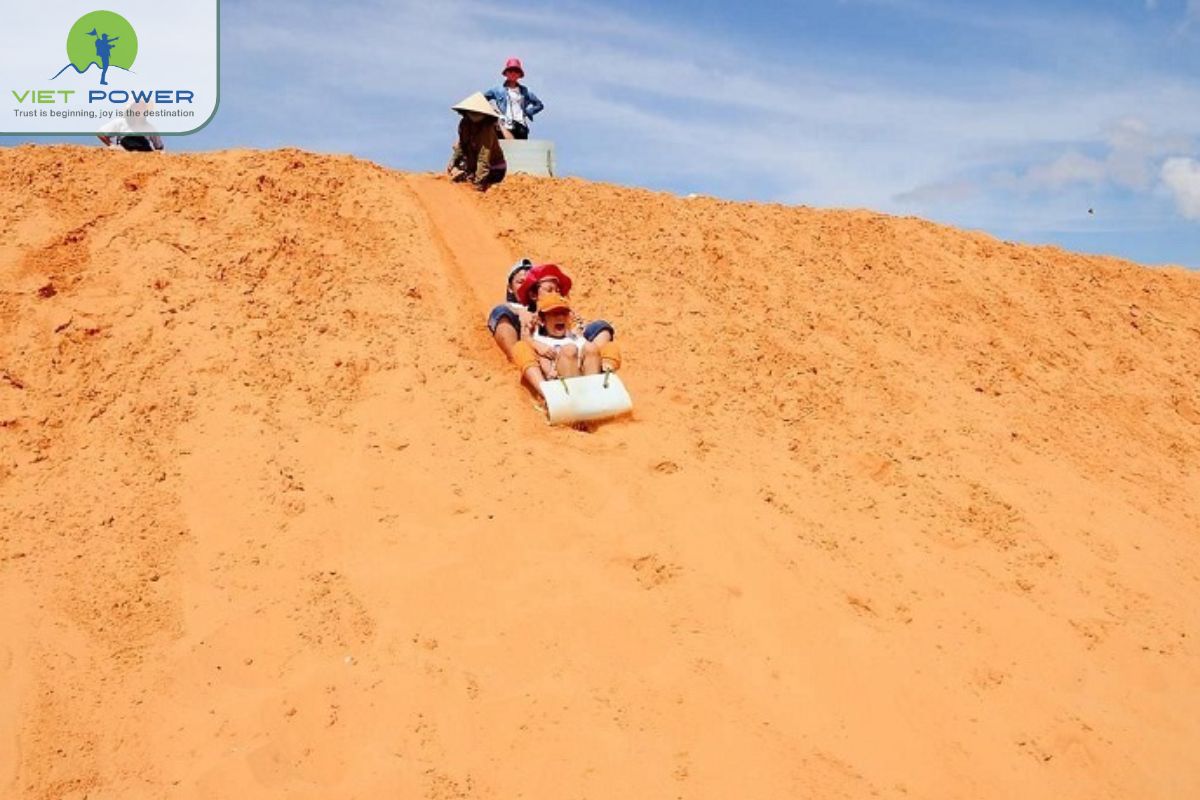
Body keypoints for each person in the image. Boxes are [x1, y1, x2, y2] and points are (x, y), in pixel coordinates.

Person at [510, 292, 603, 392]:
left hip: (585, 381)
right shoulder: (540, 341)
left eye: (564, 313)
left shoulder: (576, 337)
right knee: (569, 350)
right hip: (561, 386)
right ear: (542, 320)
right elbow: (526, 342)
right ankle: (572, 396)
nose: (560, 317)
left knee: (591, 347)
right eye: (554, 313)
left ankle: (594, 393)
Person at [447, 92, 507, 191]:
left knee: (474, 182)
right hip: (473, 166)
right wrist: (454, 161)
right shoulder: (464, 124)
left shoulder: (487, 129)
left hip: (494, 169)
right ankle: (470, 175)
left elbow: (483, 156)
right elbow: (462, 144)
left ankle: (477, 179)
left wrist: (479, 182)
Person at [484, 58, 543, 141]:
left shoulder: (525, 91)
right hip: (504, 125)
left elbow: (539, 105)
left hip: (520, 126)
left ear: (519, 74)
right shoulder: (497, 90)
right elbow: (482, 99)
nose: (513, 73)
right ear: (506, 73)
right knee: (502, 150)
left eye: (516, 71)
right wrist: (492, 110)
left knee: (519, 152)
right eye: (510, 71)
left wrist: (528, 112)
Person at [97, 102, 164, 152]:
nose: (140, 110)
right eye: (137, 107)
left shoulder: (150, 128)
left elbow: (159, 147)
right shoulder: (121, 122)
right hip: (125, 158)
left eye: (142, 108)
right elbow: (101, 133)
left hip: (144, 160)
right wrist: (111, 145)